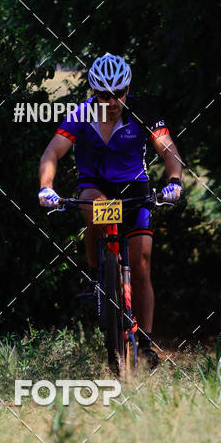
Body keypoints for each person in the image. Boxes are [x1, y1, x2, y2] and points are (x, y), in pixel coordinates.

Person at [38, 52, 183, 368]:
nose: (113, 100)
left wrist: (174, 182)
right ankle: (95, 277)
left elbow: (170, 152)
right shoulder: (80, 116)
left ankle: (144, 342)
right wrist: (46, 187)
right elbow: (52, 152)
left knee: (142, 262)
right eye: (105, 94)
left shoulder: (142, 112)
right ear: (94, 92)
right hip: (95, 187)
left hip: (135, 189)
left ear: (127, 89)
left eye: (120, 93)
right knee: (97, 210)